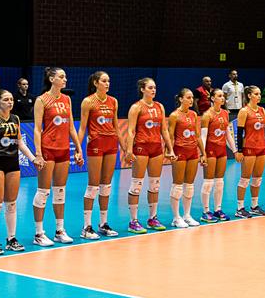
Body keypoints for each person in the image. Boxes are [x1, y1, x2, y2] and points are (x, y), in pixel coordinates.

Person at [0, 91, 43, 254]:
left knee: (12, 203)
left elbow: (20, 143)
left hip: (12, 163)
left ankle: (11, 239)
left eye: (11, 99)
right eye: (6, 99)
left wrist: (33, 159)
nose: (10, 102)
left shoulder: (15, 119)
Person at [30, 68, 83, 246]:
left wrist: (78, 148)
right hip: (48, 149)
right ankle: (39, 233)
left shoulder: (67, 99)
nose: (65, 79)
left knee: (60, 190)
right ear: (52, 79)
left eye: (65, 76)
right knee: (43, 191)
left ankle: (60, 231)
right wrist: (38, 153)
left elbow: (71, 127)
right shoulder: (41, 100)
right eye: (61, 77)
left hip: (63, 149)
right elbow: (37, 129)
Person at [122, 78, 170, 232]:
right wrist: (129, 150)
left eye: (154, 87)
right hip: (141, 147)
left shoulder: (160, 106)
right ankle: (133, 221)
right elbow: (131, 131)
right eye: (150, 87)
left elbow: (164, 130)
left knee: (155, 185)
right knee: (136, 185)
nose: (153, 90)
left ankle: (152, 218)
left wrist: (170, 148)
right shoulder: (136, 107)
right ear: (142, 89)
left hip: (156, 148)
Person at [78, 71, 121, 239]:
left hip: (111, 144)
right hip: (96, 145)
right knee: (93, 186)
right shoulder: (88, 101)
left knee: (106, 186)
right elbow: (82, 127)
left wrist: (126, 148)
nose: (107, 83)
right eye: (104, 81)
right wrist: (78, 149)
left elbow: (116, 126)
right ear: (96, 83)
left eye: (108, 80)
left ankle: (103, 223)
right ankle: (86, 226)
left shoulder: (113, 101)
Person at [167, 88, 206, 228]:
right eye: (188, 97)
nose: (191, 100)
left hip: (193, 152)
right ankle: (176, 217)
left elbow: (197, 135)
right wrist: (169, 151)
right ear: (180, 99)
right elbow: (170, 136)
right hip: (180, 152)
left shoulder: (194, 114)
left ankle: (187, 215)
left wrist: (203, 153)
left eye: (192, 98)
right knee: (177, 185)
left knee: (189, 185)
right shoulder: (174, 115)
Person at [200, 88, 235, 221]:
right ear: (212, 98)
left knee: (220, 182)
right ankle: (205, 211)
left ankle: (217, 210)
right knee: (208, 182)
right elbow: (203, 137)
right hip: (210, 151)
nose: (222, 98)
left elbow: (228, 134)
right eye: (219, 96)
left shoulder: (225, 113)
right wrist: (203, 154)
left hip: (222, 150)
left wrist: (235, 150)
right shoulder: (207, 115)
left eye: (223, 96)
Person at [235, 85, 265, 218]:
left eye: (259, 93)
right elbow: (239, 132)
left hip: (261, 147)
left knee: (257, 179)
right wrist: (239, 151)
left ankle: (254, 206)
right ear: (249, 96)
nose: (259, 96)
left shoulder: (262, 110)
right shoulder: (244, 111)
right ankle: (240, 208)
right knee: (245, 178)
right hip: (249, 147)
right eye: (256, 94)